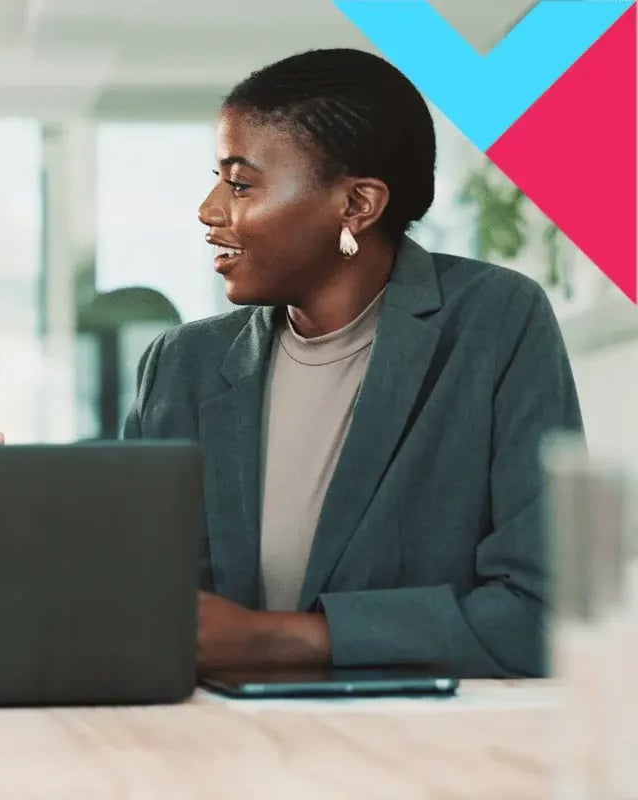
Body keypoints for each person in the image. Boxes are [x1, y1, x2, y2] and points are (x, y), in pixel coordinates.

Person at [122, 48, 583, 679]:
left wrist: (284, 641)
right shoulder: (180, 364)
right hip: (219, 754)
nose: (209, 210)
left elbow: (543, 615)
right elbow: (133, 603)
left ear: (357, 206)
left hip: (427, 759)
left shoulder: (495, 322)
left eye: (239, 183)